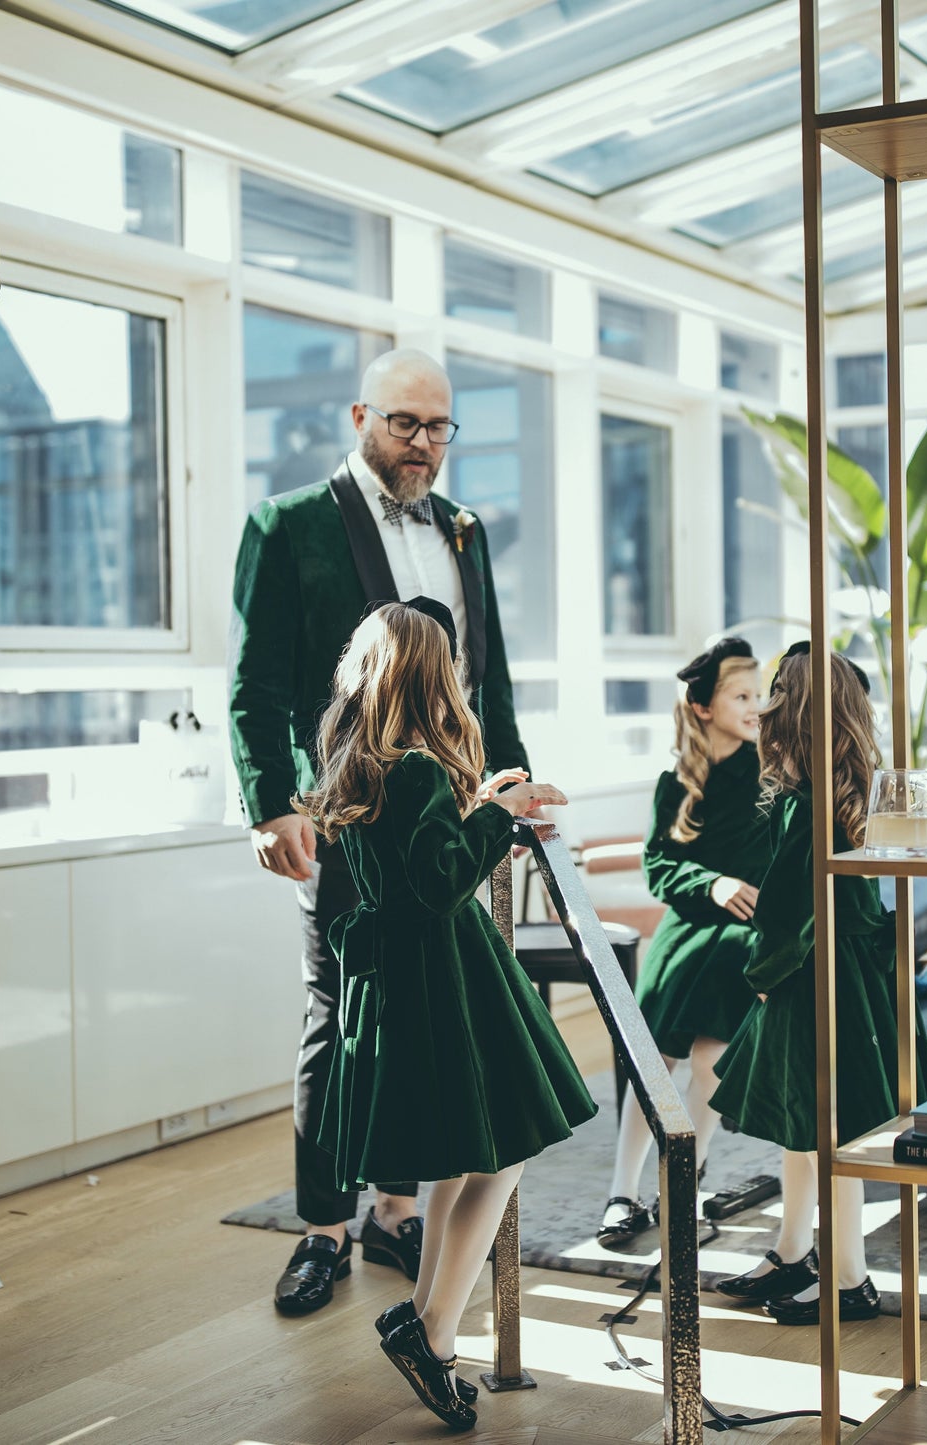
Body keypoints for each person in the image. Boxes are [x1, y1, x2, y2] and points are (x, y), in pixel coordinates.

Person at [228, 348, 532, 1317]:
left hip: (451, 812)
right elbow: (255, 683)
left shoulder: (462, 529)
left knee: (425, 1015)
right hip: (345, 814)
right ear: (361, 414)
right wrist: (269, 803)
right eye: (405, 423)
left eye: (440, 427)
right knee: (339, 1012)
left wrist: (513, 786)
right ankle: (322, 1226)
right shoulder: (286, 525)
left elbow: (488, 672)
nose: (424, 445)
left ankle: (395, 1210)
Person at [299, 599, 594, 1431]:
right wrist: (503, 812)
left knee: (457, 1160)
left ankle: (428, 1325)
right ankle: (431, 1329)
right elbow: (439, 884)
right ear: (433, 677)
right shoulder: (420, 770)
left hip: (402, 979)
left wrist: (480, 806)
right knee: (495, 1160)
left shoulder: (356, 766)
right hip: (445, 979)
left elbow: (411, 862)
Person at [707, 643, 927, 1325]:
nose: (766, 703)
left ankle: (848, 1282)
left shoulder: (807, 802)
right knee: (806, 1129)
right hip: (849, 972)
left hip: (818, 980)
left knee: (824, 1132)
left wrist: (760, 977)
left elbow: (788, 911)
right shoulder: (842, 789)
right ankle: (792, 1252)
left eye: (776, 690)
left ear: (795, 710)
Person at [597, 637, 771, 1246]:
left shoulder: (773, 775)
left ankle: (684, 1187)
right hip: (689, 928)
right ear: (702, 706)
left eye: (760, 694)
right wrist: (713, 882)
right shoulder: (676, 782)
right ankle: (623, 1189)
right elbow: (659, 867)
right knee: (655, 1060)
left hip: (746, 938)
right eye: (741, 695)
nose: (757, 706)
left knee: (709, 1061)